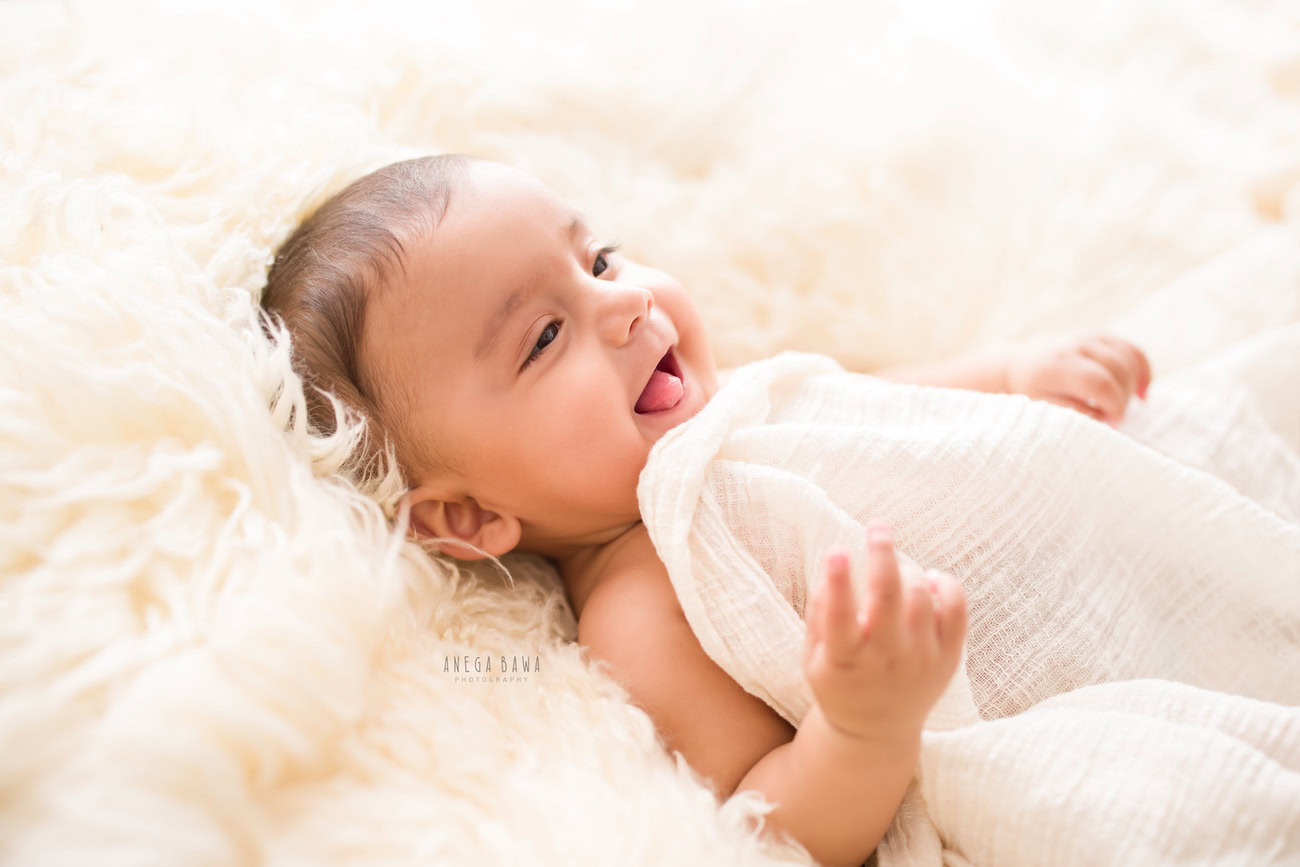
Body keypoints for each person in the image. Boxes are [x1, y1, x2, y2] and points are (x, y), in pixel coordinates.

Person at [259, 153, 1152, 867]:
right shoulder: (639, 599)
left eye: (597, 258)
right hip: (1062, 680)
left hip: (1105, 524)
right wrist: (863, 726)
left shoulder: (725, 400)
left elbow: (866, 405)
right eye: (543, 336)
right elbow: (771, 815)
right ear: (467, 518)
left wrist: (1012, 374)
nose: (624, 300)